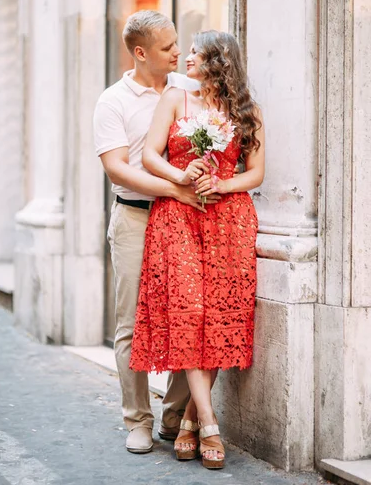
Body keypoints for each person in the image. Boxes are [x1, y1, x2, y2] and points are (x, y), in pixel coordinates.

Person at [129, 30, 265, 469]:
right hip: (178, 218)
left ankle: (188, 421)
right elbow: (149, 155)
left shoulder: (249, 113)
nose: (185, 57)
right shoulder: (174, 99)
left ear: (218, 61)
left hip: (229, 221)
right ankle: (209, 422)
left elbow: (256, 173)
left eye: (195, 52)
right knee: (188, 312)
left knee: (220, 316)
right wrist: (181, 175)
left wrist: (223, 183)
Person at [93, 11, 220, 455]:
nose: (177, 53)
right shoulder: (113, 101)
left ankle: (173, 417)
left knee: (190, 318)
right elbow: (116, 168)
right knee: (131, 323)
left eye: (177, 44)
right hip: (135, 218)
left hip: (187, 221)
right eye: (168, 48)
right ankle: (138, 420)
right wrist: (177, 188)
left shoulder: (189, 90)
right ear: (141, 53)